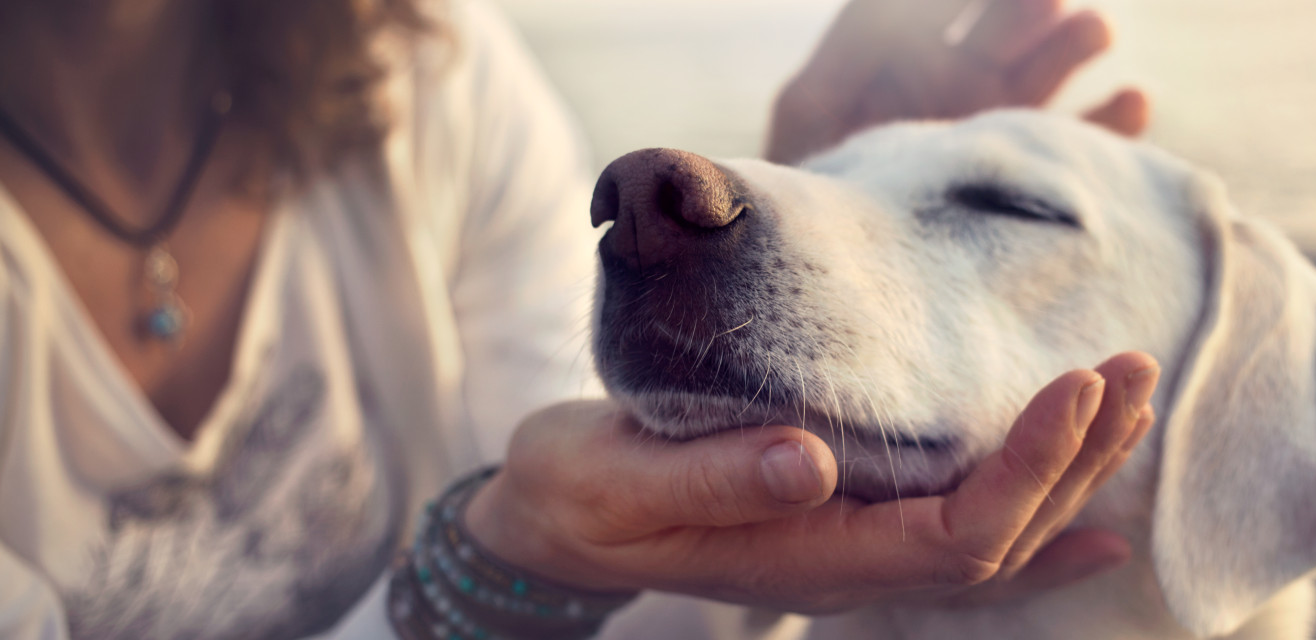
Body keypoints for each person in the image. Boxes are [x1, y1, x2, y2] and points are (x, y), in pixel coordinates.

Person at [0, 0, 1157, 638]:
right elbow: (558, 537)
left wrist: (815, 255)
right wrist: (498, 562)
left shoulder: (423, 73)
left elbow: (639, 600)